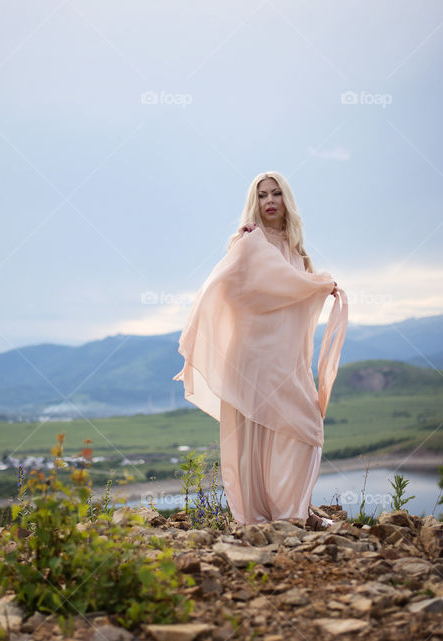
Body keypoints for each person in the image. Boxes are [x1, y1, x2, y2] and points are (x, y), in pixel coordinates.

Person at [172, 171, 348, 529]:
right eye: (263, 195)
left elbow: (294, 294)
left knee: (304, 424)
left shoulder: (298, 252)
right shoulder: (248, 244)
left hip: (288, 360)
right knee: (253, 436)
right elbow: (225, 292)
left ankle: (295, 511)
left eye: (276, 194)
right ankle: (265, 516)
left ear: (287, 200)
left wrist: (318, 288)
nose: (269, 201)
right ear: (255, 203)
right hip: (252, 357)